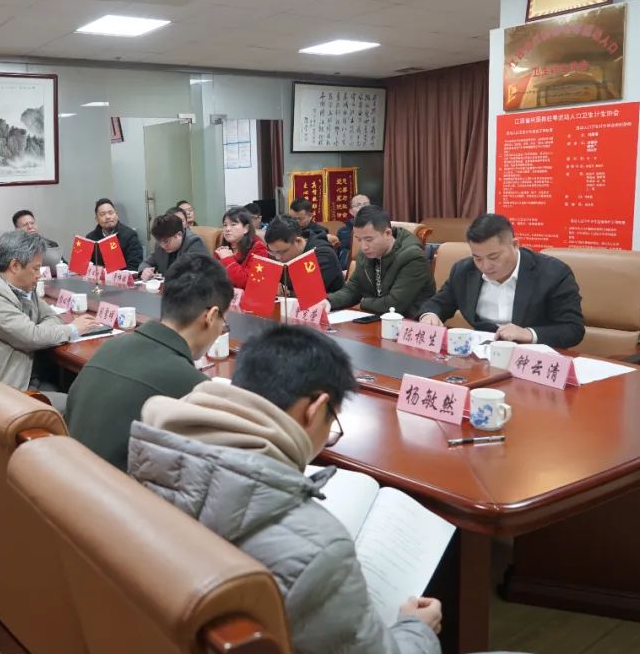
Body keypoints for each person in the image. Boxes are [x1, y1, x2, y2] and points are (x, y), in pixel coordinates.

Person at [128, 326, 443, 654]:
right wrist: (416, 629)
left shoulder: (156, 456)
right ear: (315, 409)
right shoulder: (320, 550)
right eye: (332, 421)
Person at [67, 254, 232, 470]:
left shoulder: (110, 347)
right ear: (210, 316)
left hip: (65, 477)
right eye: (224, 322)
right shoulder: (193, 387)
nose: (221, 330)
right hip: (117, 490)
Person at [0, 231, 100, 409]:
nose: (39, 275)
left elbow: (50, 317)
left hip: (22, 375)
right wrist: (73, 329)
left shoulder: (21, 287)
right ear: (15, 266)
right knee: (78, 407)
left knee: (71, 385)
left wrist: (40, 330)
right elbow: (31, 337)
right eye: (36, 268)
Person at [419, 214, 584, 348]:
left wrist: (528, 333)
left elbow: (572, 329)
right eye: (478, 258)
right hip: (480, 355)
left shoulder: (553, 273)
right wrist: (430, 316)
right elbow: (438, 304)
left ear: (515, 244)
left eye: (494, 257)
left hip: (529, 356)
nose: (485, 266)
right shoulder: (464, 271)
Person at [326, 206, 435, 317]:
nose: (363, 247)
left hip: (409, 322)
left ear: (387, 233)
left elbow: (394, 305)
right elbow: (353, 289)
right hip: (377, 318)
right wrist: (328, 302)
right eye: (359, 239)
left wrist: (363, 302)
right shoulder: (366, 254)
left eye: (369, 239)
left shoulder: (413, 257)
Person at [264, 216, 344, 294]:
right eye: (273, 252)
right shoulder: (281, 253)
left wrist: (284, 289)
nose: (278, 257)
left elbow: (308, 291)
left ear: (298, 241)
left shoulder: (323, 255)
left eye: (282, 252)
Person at [139, 213, 209, 281]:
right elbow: (146, 263)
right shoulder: (160, 245)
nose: (162, 246)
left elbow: (199, 275)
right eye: (159, 241)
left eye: (166, 241)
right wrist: (145, 270)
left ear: (179, 235)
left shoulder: (194, 243)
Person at [214, 206, 269, 288]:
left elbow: (248, 282)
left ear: (246, 228)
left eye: (233, 224)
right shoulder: (224, 247)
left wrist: (227, 259)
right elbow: (212, 277)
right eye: (225, 225)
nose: (227, 229)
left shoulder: (258, 248)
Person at [86, 198, 144, 271]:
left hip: (123, 277)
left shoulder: (130, 235)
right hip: (97, 278)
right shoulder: (90, 238)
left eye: (111, 213)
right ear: (97, 219)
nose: (108, 217)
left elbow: (135, 265)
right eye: (103, 214)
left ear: (116, 215)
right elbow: (85, 266)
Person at [337, 193, 371, 267]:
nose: (362, 207)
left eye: (366, 204)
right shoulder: (343, 231)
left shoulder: (380, 226)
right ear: (351, 211)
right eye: (358, 205)